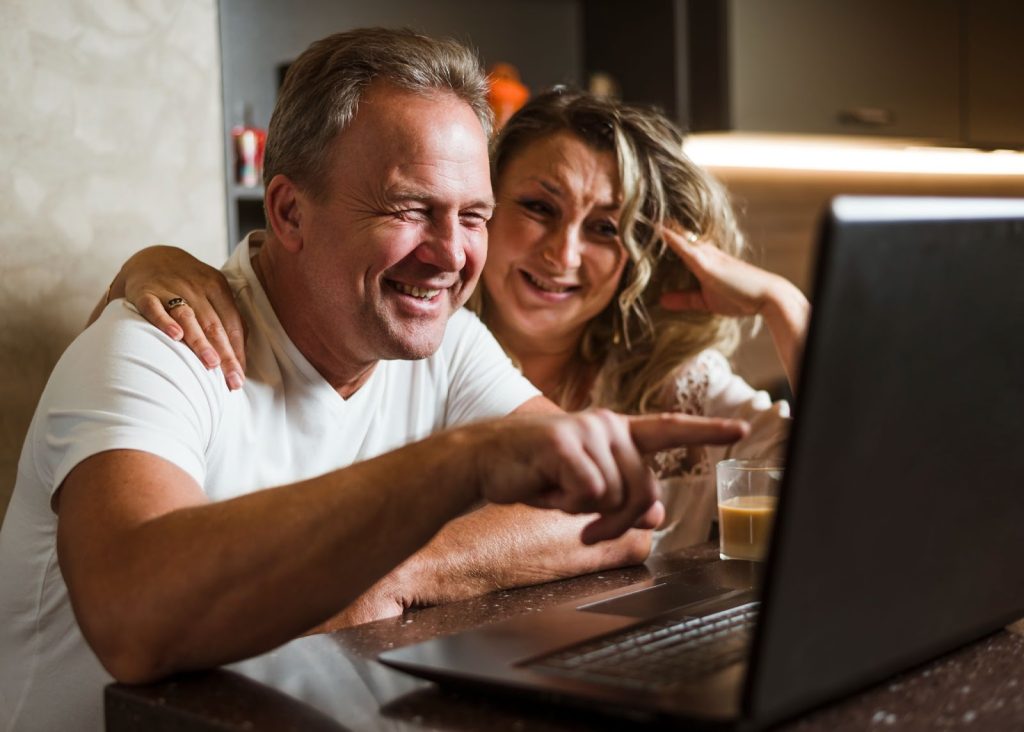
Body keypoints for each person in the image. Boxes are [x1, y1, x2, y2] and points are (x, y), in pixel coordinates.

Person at [0, 29, 748, 732]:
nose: (451, 254)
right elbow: (134, 622)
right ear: (289, 212)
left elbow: (622, 509)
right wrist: (461, 463)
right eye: (411, 209)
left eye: (474, 216)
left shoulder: (452, 340)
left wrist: (398, 569)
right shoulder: (156, 346)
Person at [103, 91, 808, 570]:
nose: (563, 255)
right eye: (537, 208)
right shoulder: (398, 337)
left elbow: (846, 474)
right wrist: (142, 268)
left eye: (604, 229)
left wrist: (784, 305)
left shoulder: (674, 384)